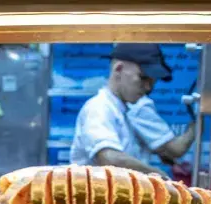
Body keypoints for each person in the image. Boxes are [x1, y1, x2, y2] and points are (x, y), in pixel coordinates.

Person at [69, 44, 196, 176]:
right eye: (143, 78)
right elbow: (109, 157)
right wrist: (156, 175)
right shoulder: (99, 108)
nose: (148, 88)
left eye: (152, 82)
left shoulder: (123, 112)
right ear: (118, 69)